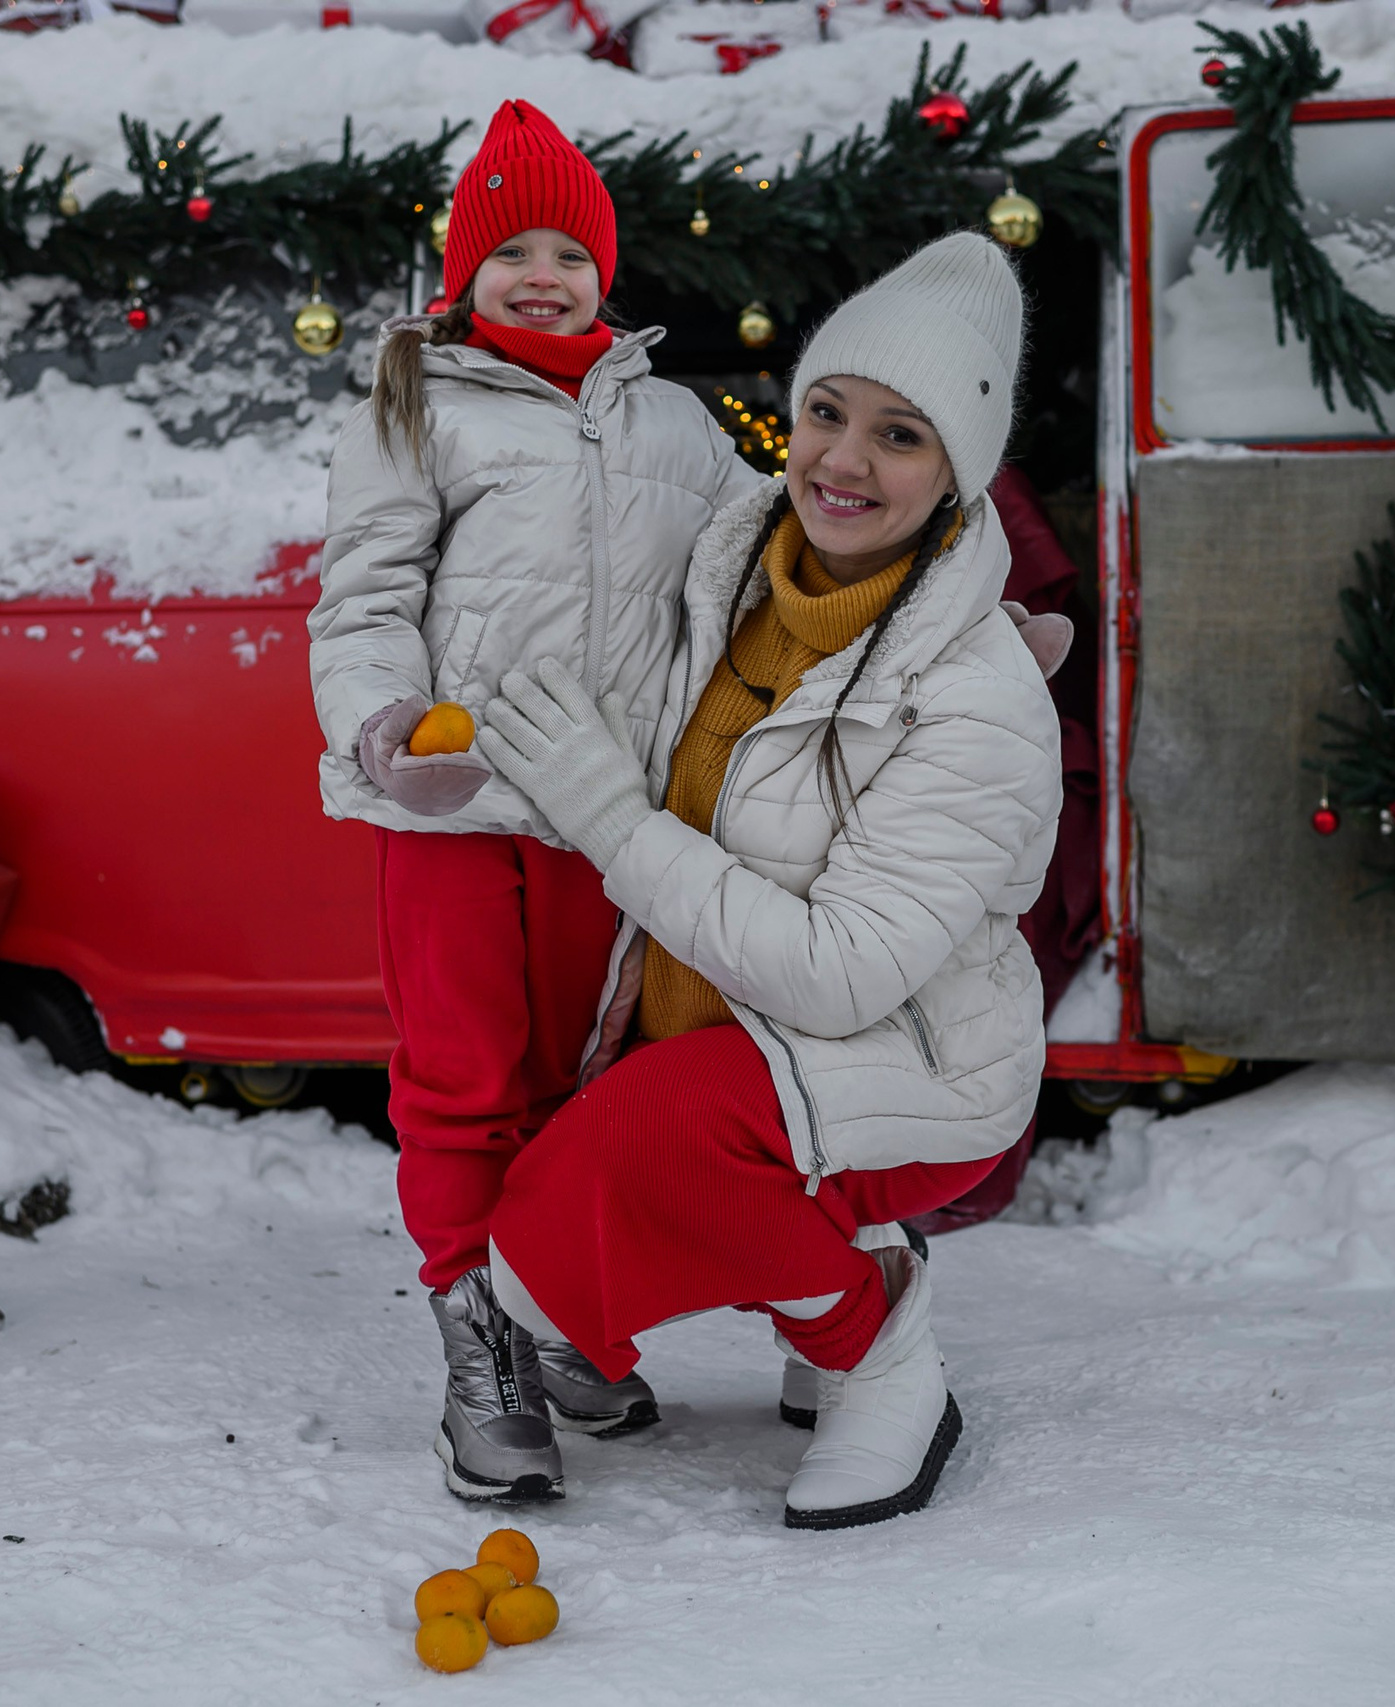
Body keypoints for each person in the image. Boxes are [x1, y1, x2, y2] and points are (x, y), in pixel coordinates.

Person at [476, 232, 1063, 1528]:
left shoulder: (978, 703)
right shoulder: (731, 571)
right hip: (730, 1029)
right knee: (628, 1130)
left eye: (901, 436)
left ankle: (877, 1339)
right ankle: (829, 1270)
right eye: (827, 412)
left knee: (622, 1170)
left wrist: (612, 819)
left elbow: (843, 970)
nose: (843, 461)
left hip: (914, 1064)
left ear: (960, 474)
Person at [307, 98, 767, 1503]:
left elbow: (767, 566)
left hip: (602, 816)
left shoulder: (683, 425)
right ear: (464, 273)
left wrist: (950, 615)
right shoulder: (414, 403)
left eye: (571, 251)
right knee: (464, 1085)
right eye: (514, 252)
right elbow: (363, 599)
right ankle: (479, 1346)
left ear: (605, 274)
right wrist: (388, 728)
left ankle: (553, 1309)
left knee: (582, 1091)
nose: (545, 275)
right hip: (448, 808)